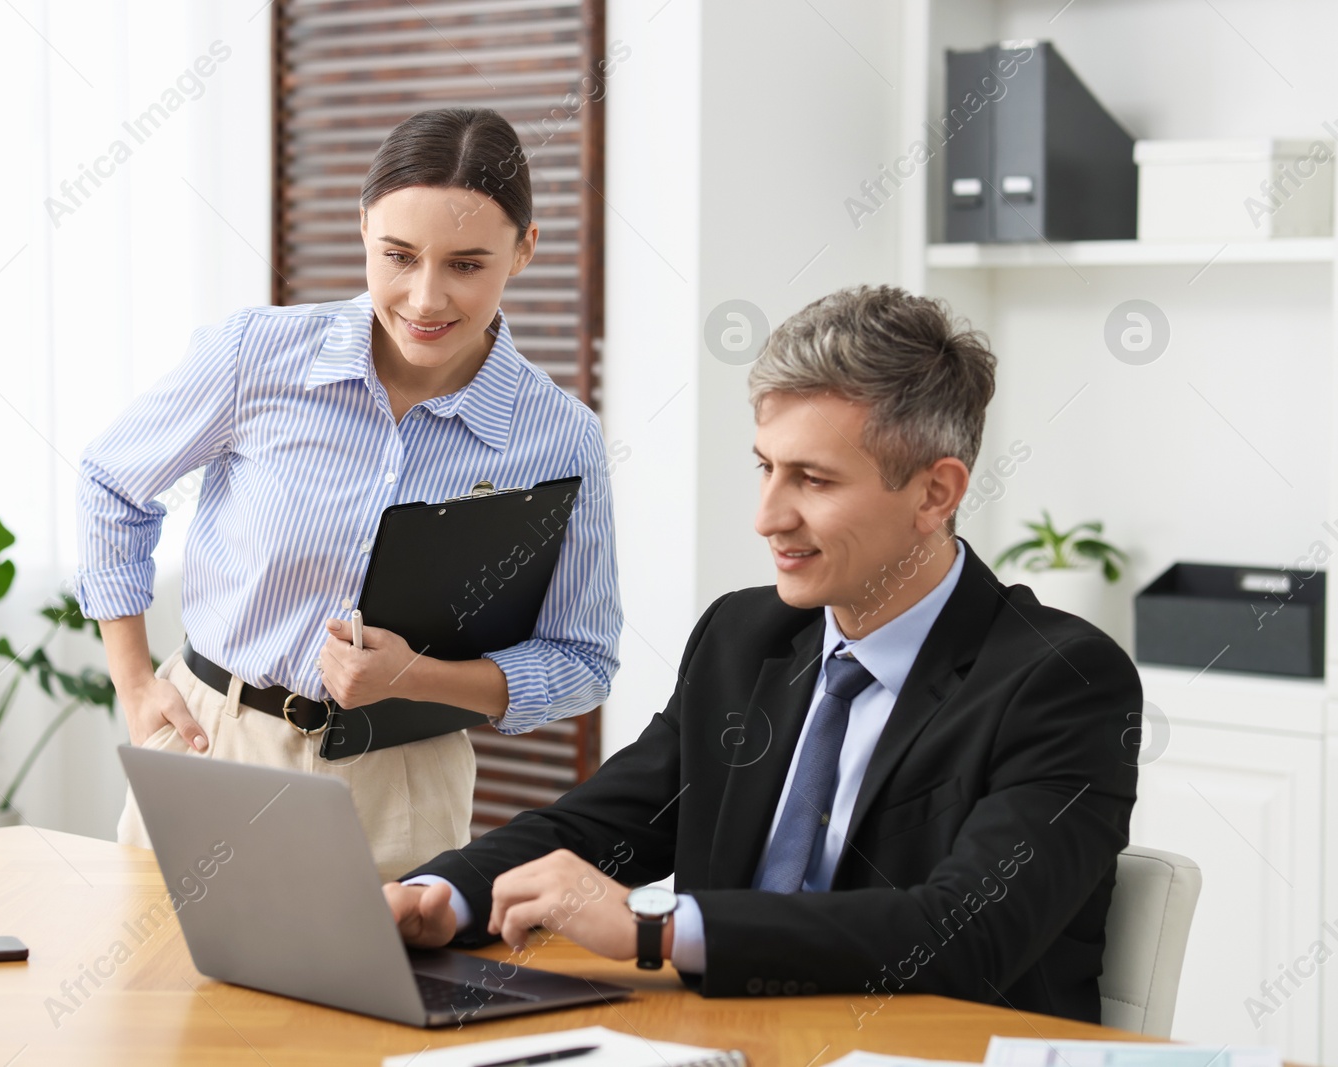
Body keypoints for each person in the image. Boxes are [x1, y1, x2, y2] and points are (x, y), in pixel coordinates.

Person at [387, 285, 1141, 1022]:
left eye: (813, 479)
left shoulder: (1063, 680)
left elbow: (966, 932)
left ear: (935, 494)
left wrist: (656, 928)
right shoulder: (743, 639)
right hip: (725, 1038)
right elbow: (599, 826)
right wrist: (439, 896)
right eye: (766, 467)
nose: (767, 517)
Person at [73, 108, 622, 881]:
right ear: (364, 227)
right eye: (399, 255)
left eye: (467, 265)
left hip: (402, 785)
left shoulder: (560, 437)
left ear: (524, 250)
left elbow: (582, 658)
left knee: (378, 1002)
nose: (426, 299)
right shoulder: (257, 355)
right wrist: (133, 681)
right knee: (167, 999)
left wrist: (419, 680)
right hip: (216, 744)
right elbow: (111, 480)